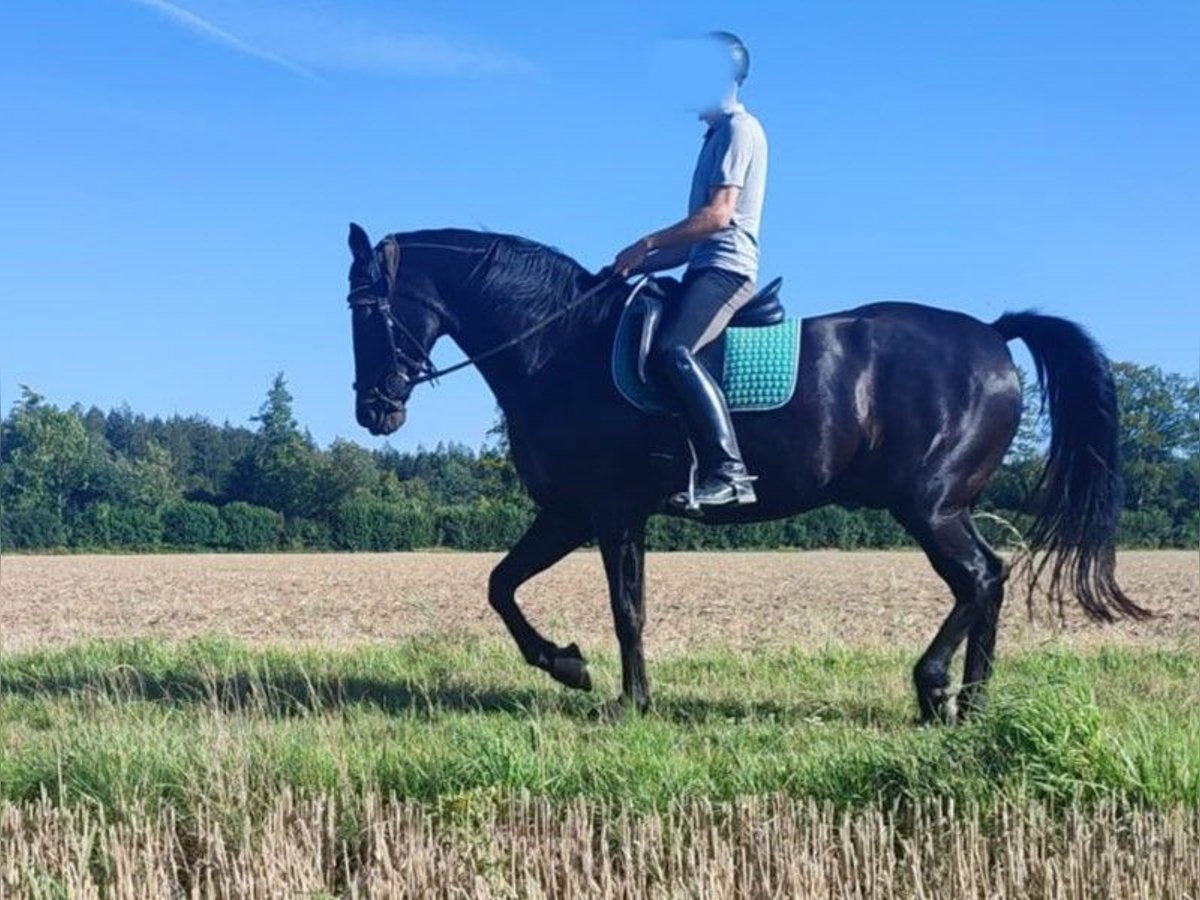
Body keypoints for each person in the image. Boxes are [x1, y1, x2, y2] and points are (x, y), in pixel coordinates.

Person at [613, 31, 768, 511]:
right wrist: (630, 266)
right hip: (703, 264)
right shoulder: (715, 137)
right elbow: (689, 245)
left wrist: (646, 241)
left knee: (674, 351)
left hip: (727, 270)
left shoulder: (740, 130)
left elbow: (718, 217)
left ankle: (730, 471)